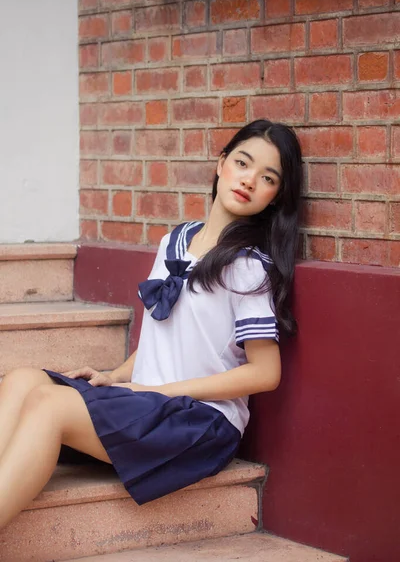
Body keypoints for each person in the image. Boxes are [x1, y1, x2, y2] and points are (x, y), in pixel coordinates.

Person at [0, 118, 302, 528]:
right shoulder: (175, 240)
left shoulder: (248, 266)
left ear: (275, 196)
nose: (249, 180)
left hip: (200, 422)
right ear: (221, 163)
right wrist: (116, 375)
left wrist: (159, 389)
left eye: (267, 177)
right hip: (151, 401)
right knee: (21, 379)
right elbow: (169, 335)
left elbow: (266, 373)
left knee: (47, 405)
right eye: (243, 163)